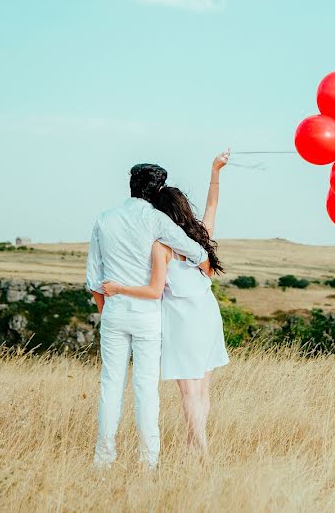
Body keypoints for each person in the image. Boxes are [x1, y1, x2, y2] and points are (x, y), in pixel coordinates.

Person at [103, 150, 230, 457]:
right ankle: (194, 446)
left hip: (182, 319)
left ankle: (201, 448)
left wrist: (118, 288)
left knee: (189, 391)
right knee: (202, 390)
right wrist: (216, 170)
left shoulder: (161, 246)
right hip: (208, 312)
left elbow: (155, 290)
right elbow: (213, 203)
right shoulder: (200, 236)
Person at [85, 163, 208, 470]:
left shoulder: (104, 218)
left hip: (114, 311)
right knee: (145, 388)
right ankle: (148, 462)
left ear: (131, 185)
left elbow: (93, 278)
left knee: (111, 385)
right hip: (147, 315)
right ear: (156, 190)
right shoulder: (156, 220)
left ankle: (104, 459)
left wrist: (107, 312)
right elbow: (198, 253)